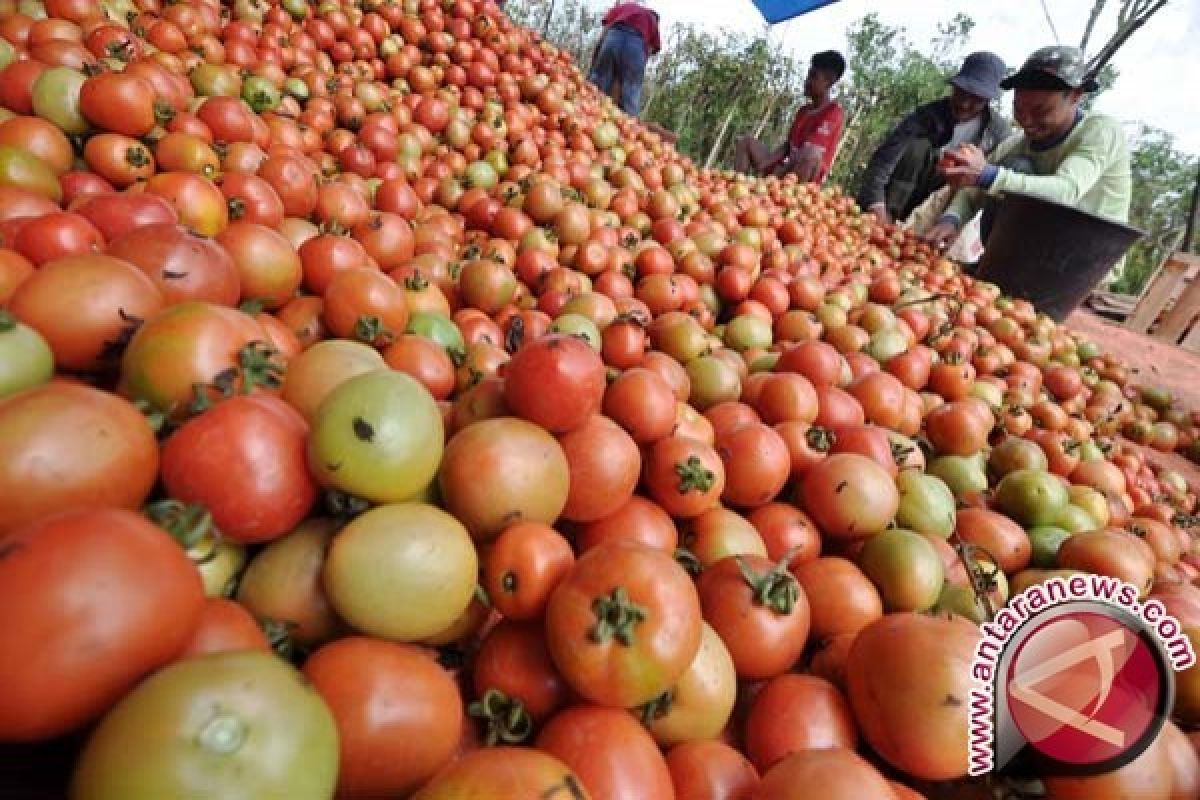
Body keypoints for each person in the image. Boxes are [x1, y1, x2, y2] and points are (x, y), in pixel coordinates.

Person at [925, 45, 1132, 252]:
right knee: (1012, 166)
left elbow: (1066, 190)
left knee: (1013, 168)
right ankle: (999, 258)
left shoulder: (1101, 131)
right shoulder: (1017, 143)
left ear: (1076, 97)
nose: (1026, 121)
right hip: (1035, 249)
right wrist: (952, 219)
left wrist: (987, 175)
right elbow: (973, 189)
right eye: (1018, 109)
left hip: (1084, 255)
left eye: (1041, 111)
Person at [858, 52, 1011, 226]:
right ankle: (890, 222)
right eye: (961, 93)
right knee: (917, 147)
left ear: (988, 100)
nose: (964, 104)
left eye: (976, 99)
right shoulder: (926, 116)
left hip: (947, 209)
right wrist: (876, 205)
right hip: (904, 196)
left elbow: (992, 192)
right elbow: (883, 161)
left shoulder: (998, 134)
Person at [734, 50, 846, 184]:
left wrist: (774, 177)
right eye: (808, 75)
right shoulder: (803, 111)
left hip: (800, 177)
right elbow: (788, 146)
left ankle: (784, 196)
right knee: (745, 142)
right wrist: (765, 163)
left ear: (829, 81)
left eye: (813, 76)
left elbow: (809, 153)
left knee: (810, 154)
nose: (807, 81)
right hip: (783, 170)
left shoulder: (833, 112)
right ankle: (737, 186)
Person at [587, 1, 662, 117]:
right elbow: (650, 49)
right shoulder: (652, 19)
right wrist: (634, 73)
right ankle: (629, 128)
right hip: (636, 44)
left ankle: (586, 112)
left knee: (599, 80)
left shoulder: (626, 6)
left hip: (613, 37)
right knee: (631, 90)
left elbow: (604, 33)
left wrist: (596, 64)